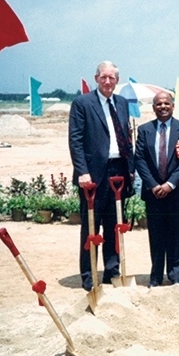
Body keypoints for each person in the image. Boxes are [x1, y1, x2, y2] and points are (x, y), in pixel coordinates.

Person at [69, 60, 134, 292]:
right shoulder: (82, 103)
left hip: (119, 171)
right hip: (93, 173)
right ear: (96, 78)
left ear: (117, 80)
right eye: (103, 77)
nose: (108, 81)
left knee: (114, 224)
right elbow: (75, 140)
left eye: (112, 78)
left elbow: (126, 137)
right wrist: (82, 171)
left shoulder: (122, 103)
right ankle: (88, 275)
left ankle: (111, 271)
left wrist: (131, 168)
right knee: (91, 225)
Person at [135, 92, 179, 287]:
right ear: (153, 107)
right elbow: (140, 159)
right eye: (159, 104)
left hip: (176, 191)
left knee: (176, 234)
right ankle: (156, 276)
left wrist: (170, 184)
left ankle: (176, 274)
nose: (163, 107)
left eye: (166, 103)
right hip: (153, 193)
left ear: (172, 106)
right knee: (156, 235)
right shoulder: (144, 130)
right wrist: (153, 184)